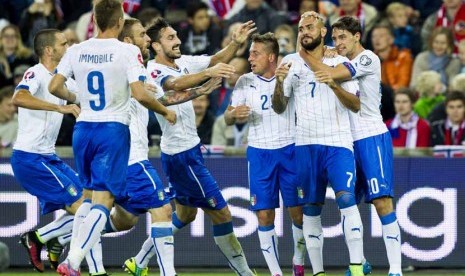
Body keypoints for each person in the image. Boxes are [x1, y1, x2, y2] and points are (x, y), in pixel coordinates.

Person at [48, 1, 176, 275]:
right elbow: (141, 94)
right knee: (104, 202)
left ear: (95, 20)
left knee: (89, 197)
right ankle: (72, 262)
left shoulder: (77, 50)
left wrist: (76, 100)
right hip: (112, 130)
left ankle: (72, 257)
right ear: (119, 22)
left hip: (83, 130)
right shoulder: (127, 51)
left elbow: (54, 86)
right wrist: (165, 111)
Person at [126, 17, 256, 276]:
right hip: (182, 156)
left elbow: (214, 60)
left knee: (185, 216)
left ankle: (138, 261)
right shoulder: (152, 69)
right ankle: (246, 273)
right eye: (171, 38)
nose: (178, 41)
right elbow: (173, 87)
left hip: (186, 152)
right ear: (155, 45)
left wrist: (235, 44)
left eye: (176, 35)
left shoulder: (184, 62)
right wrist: (205, 78)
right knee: (222, 214)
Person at [298, 14, 403, 276]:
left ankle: (396, 270)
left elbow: (330, 74)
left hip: (370, 136)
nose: (338, 42)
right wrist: (326, 52)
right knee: (349, 207)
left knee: (382, 202)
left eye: (343, 36)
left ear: (357, 36)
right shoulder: (339, 57)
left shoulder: (368, 58)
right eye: (335, 37)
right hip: (344, 141)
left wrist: (305, 52)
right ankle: (361, 262)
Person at [273, 13, 365, 276]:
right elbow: (280, 108)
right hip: (305, 145)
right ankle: (318, 272)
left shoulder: (341, 62)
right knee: (310, 209)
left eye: (310, 27)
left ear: (323, 31)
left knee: (347, 200)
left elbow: (356, 104)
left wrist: (334, 86)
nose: (304, 32)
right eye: (301, 28)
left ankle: (356, 268)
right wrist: (279, 82)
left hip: (337, 144)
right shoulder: (290, 62)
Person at [224, 32, 306, 276]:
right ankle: (275, 273)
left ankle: (298, 262)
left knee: (299, 213)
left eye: (255, 53)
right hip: (260, 153)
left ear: (271, 57)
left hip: (290, 149)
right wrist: (233, 114)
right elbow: (228, 116)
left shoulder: (289, 75)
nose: (250, 58)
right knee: (264, 214)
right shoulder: (244, 81)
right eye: (250, 52)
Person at [10, 29, 84, 273]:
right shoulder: (36, 73)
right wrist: (58, 108)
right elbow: (18, 97)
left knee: (94, 205)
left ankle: (55, 239)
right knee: (84, 210)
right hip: (30, 158)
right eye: (64, 43)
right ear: (50, 50)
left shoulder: (62, 80)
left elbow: (87, 96)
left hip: (48, 157)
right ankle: (43, 239)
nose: (69, 47)